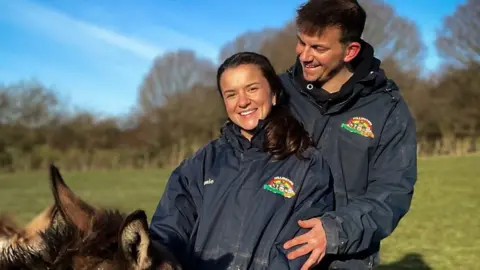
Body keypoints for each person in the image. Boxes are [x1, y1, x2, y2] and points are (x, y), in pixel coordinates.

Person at [149, 52, 335, 270]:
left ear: (274, 93)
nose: (243, 101)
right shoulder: (200, 163)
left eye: (252, 88)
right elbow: (168, 231)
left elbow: (298, 251)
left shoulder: (307, 164)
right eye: (231, 94)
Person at [278, 0, 418, 269]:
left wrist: (334, 231)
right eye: (301, 42)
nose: (304, 55)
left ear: (350, 50)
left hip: (345, 259)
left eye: (318, 48)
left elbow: (392, 192)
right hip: (274, 251)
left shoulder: (387, 109)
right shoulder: (279, 92)